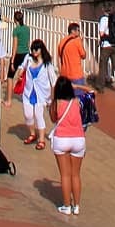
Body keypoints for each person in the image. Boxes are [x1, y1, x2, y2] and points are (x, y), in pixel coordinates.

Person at [49, 75, 86, 215]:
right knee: (76, 175)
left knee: (65, 175)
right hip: (78, 139)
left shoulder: (56, 103)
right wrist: (78, 87)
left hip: (62, 139)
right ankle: (76, 206)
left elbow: (53, 118)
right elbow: (92, 92)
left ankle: (66, 206)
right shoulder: (77, 101)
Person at [19, 39, 57, 149]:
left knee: (38, 115)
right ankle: (32, 133)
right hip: (28, 92)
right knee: (28, 115)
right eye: (32, 49)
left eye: (36, 49)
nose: (34, 51)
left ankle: (41, 140)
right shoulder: (29, 58)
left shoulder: (47, 64)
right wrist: (20, 73)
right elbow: (22, 67)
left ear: (41, 50)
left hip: (42, 95)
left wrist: (52, 98)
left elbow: (53, 81)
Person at [57, 21, 88, 87]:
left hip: (64, 74)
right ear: (73, 31)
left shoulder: (61, 42)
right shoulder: (77, 41)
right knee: (79, 96)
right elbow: (83, 55)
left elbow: (59, 57)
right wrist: (81, 42)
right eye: (78, 30)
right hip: (76, 75)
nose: (79, 32)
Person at [7, 10, 30, 79]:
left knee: (10, 76)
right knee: (24, 76)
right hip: (26, 53)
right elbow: (28, 43)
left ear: (15, 19)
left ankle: (9, 90)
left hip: (18, 54)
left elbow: (15, 46)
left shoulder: (16, 30)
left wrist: (12, 61)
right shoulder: (27, 29)